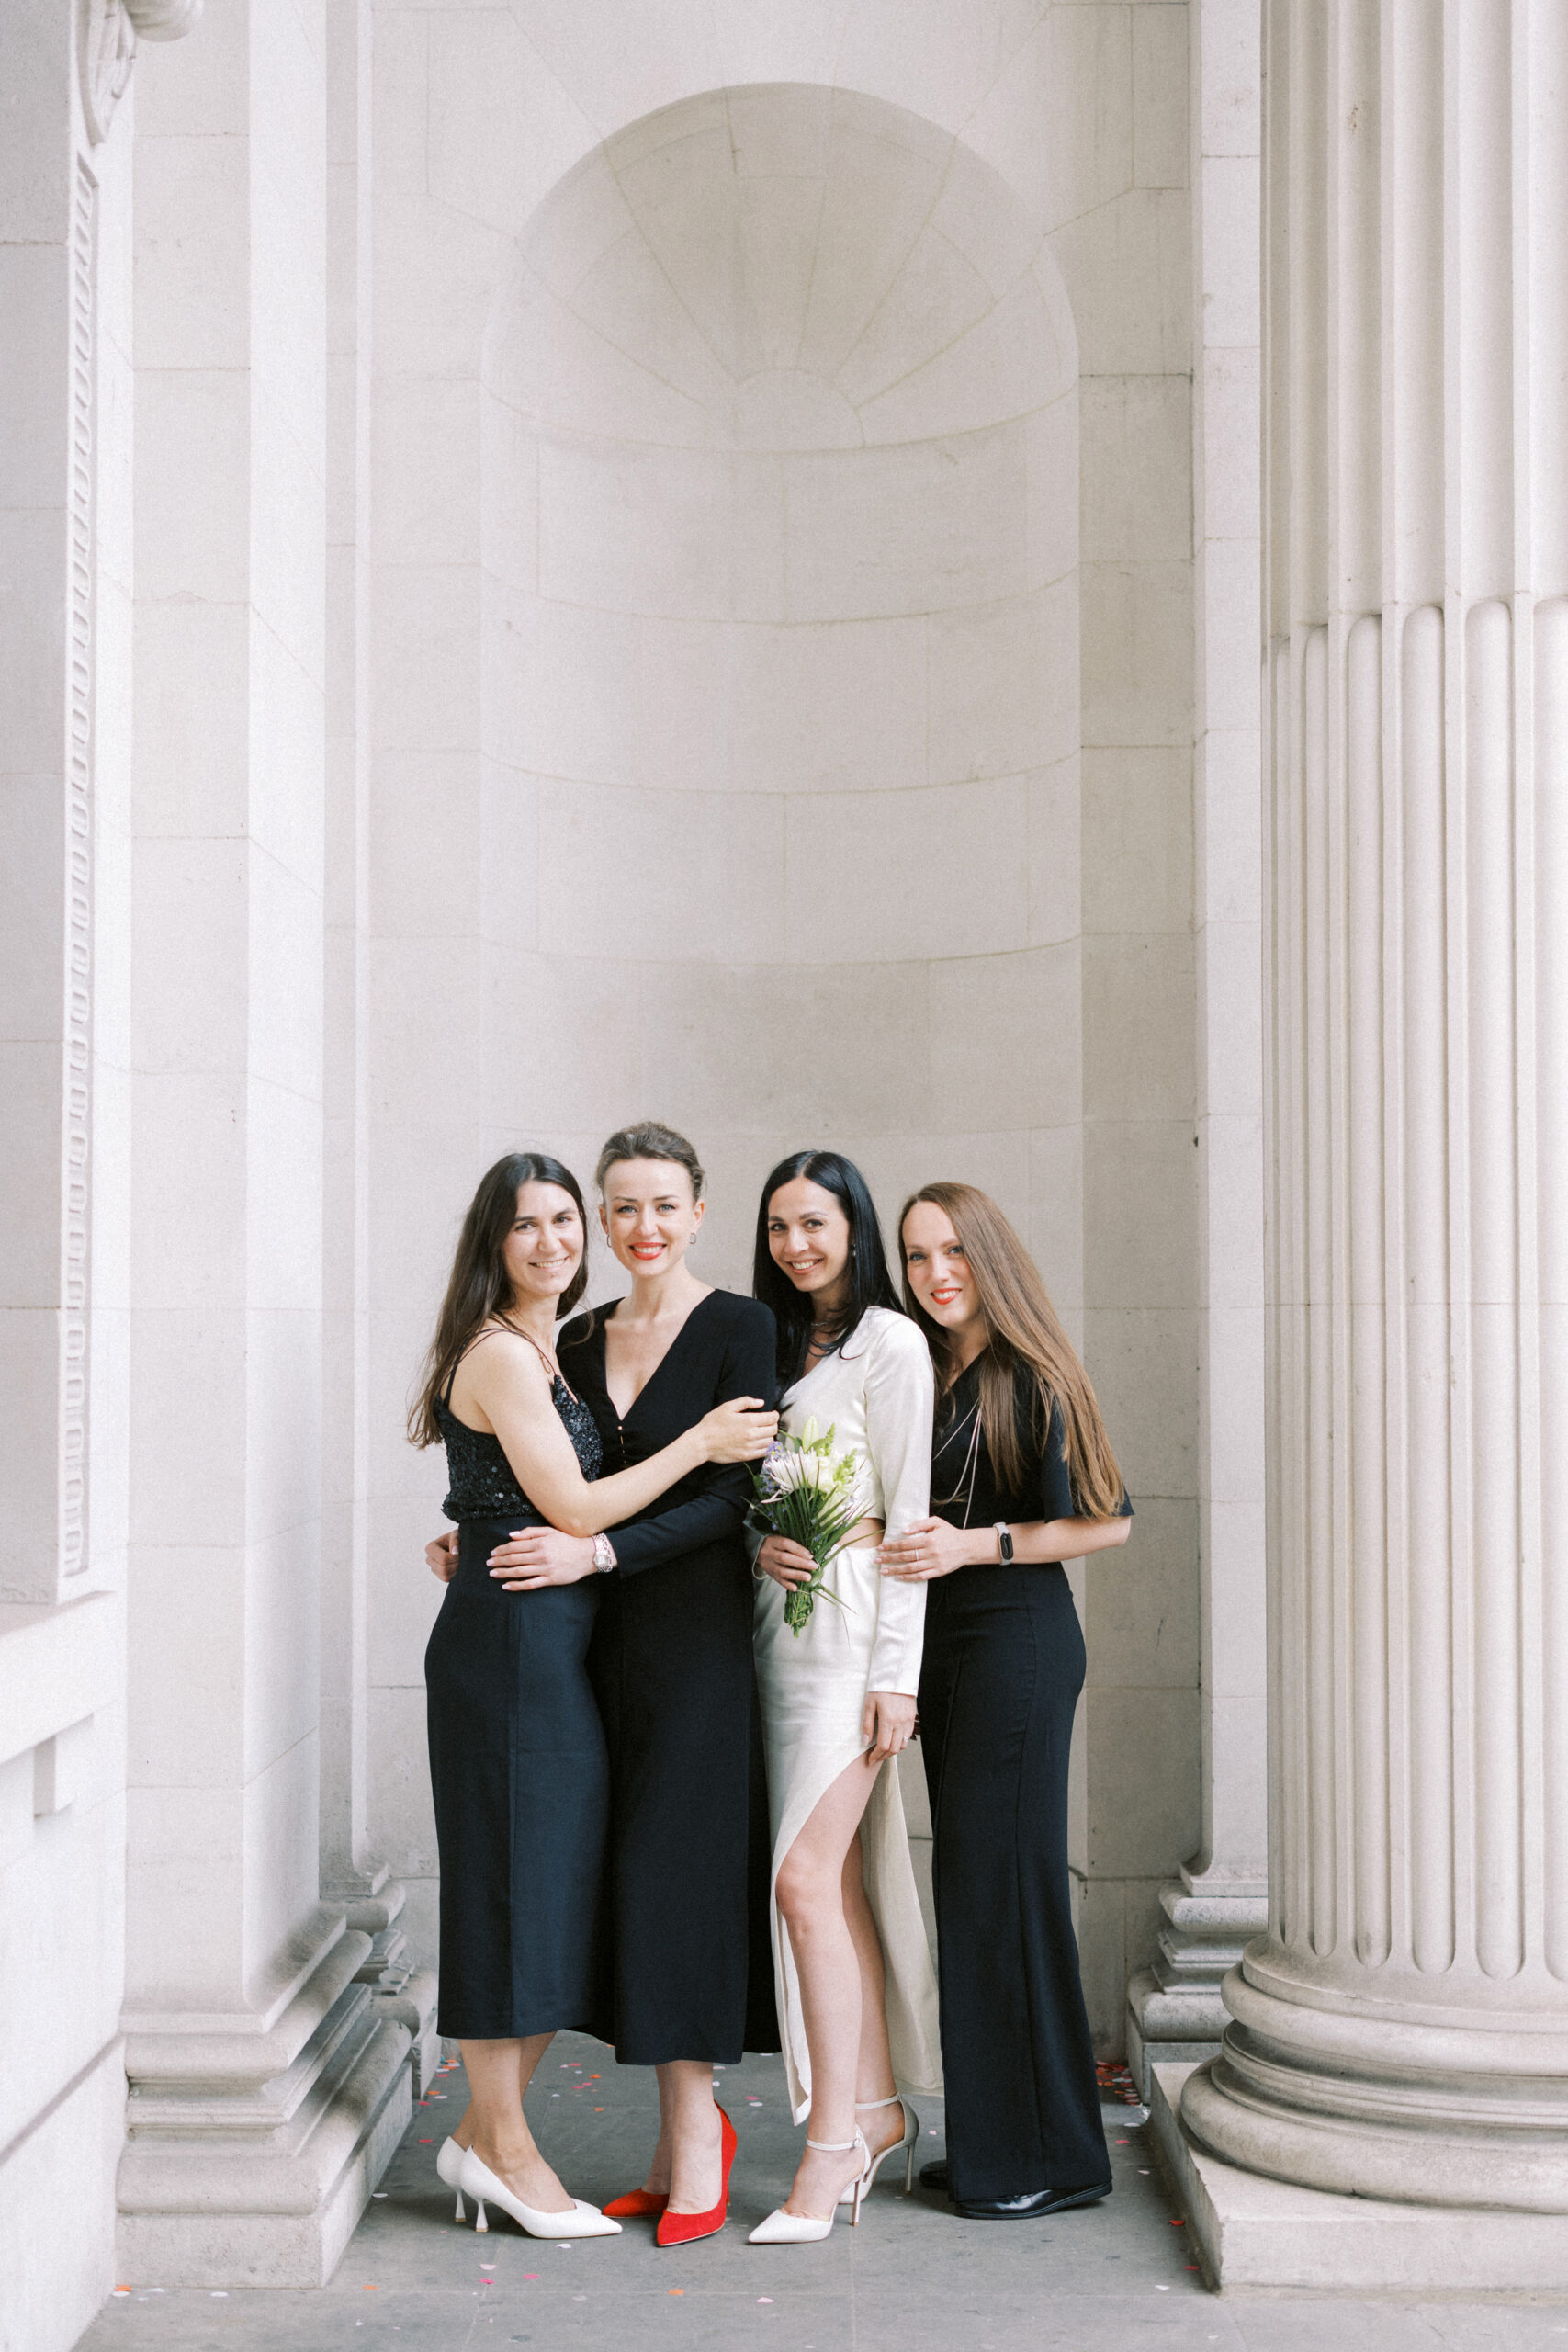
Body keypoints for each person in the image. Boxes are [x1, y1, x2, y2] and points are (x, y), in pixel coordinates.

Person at [409, 1151, 775, 2242]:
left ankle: (496, 2137)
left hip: (618, 1639)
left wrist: (487, 1528)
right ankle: (503, 2148)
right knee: (515, 1896)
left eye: (565, 1219)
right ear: (495, 1239)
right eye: (532, 1223)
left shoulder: (567, 1344)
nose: (555, 1240)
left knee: (555, 1900)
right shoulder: (539, 1346)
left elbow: (559, 1493)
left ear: (697, 1212)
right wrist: (499, 1535)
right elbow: (565, 1501)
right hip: (532, 1645)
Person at [882, 1182, 1133, 2221]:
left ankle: (1054, 2159)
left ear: (989, 1254)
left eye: (953, 1251)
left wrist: (974, 1546)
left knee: (1009, 1891)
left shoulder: (1037, 1371)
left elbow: (1108, 1521)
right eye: (916, 1255)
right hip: (947, 1651)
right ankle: (999, 2143)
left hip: (1016, 1646)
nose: (936, 1273)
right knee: (972, 1890)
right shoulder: (924, 1369)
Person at [747, 1151, 942, 2245]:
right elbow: (748, 1486)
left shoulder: (891, 1342)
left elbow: (908, 1519)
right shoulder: (769, 1345)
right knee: (841, 1886)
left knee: (803, 1880)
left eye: (814, 1223)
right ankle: (873, 2112)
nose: (796, 1245)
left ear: (853, 1228)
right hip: (777, 1634)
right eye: (779, 1226)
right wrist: (756, 1543)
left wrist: (896, 1677)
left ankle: (830, 2144)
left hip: (856, 1629)